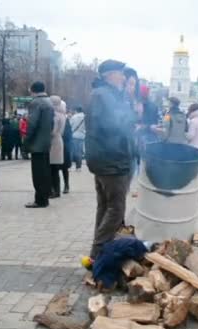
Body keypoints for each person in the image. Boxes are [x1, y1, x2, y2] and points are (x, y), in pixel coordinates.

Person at [86, 59, 136, 260]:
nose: (123, 77)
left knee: (105, 207)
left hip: (107, 158)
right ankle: (97, 253)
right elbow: (109, 127)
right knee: (116, 209)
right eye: (120, 73)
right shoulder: (103, 95)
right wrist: (131, 116)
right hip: (111, 160)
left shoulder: (107, 94)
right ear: (108, 75)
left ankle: (98, 253)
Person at [24, 81, 54, 208]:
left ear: (32, 90)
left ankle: (40, 200)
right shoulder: (49, 102)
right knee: (45, 172)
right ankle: (45, 198)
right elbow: (52, 123)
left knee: (38, 174)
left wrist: (26, 140)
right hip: (46, 142)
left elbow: (32, 124)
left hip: (37, 143)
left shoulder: (36, 102)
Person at [49, 96, 66, 199]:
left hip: (53, 142)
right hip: (59, 140)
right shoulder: (62, 114)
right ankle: (57, 190)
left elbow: (53, 131)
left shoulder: (55, 115)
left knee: (52, 169)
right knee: (55, 169)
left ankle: (54, 191)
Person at [60, 103, 73, 194]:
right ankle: (57, 187)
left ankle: (66, 185)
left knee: (64, 168)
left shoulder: (65, 119)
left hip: (64, 146)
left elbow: (69, 134)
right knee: (55, 168)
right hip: (59, 145)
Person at [69, 106, 86, 171]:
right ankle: (78, 167)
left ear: (76, 110)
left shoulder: (74, 117)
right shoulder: (85, 117)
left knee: (72, 151)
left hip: (74, 135)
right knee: (79, 152)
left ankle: (70, 166)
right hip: (82, 136)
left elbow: (70, 125)